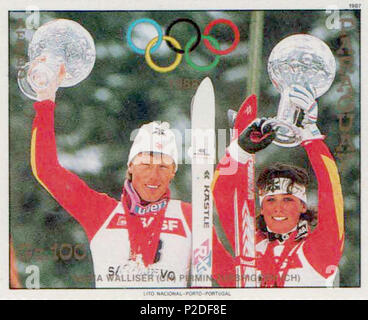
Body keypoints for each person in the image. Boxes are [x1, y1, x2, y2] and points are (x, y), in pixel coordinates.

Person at [30, 63, 193, 288]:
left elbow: (230, 270)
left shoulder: (191, 216)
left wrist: (240, 155)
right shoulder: (100, 212)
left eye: (164, 166)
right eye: (145, 164)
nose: (154, 175)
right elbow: (47, 170)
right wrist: (46, 100)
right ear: (130, 167)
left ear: (173, 172)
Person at [212, 86, 344, 287]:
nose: (278, 207)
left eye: (288, 199)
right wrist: (240, 151)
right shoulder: (249, 243)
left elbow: (330, 192)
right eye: (270, 200)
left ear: (302, 206)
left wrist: (312, 139)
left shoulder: (318, 249)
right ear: (262, 208)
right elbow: (222, 194)